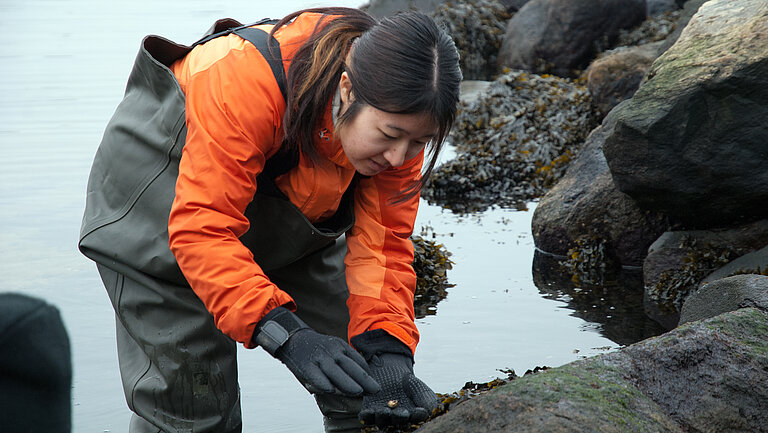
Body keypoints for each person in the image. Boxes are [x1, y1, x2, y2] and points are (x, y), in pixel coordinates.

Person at [79, 6, 461, 432]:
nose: (398, 157)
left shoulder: (404, 121)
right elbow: (202, 230)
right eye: (389, 135)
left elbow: (384, 244)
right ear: (347, 89)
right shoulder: (242, 79)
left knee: (365, 383)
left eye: (419, 142)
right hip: (156, 213)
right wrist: (285, 333)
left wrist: (389, 349)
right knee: (195, 413)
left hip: (288, 213)